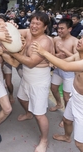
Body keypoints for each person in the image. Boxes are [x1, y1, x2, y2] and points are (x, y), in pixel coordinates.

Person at [32, 31, 83, 152]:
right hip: (75, 96)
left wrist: (43, 52)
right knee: (66, 120)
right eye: (81, 37)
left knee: (81, 144)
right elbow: (64, 62)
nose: (80, 40)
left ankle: (70, 138)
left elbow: (66, 67)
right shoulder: (78, 55)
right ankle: (66, 136)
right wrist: (53, 58)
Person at [8, 11, 54, 152]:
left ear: (45, 27)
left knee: (39, 114)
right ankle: (28, 113)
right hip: (27, 77)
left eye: (38, 24)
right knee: (22, 98)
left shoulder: (44, 42)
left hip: (39, 78)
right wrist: (11, 26)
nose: (34, 26)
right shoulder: (28, 32)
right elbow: (13, 32)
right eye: (32, 22)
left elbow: (31, 62)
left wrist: (12, 53)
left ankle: (44, 140)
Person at [50, 18, 78, 112]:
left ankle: (67, 116)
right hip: (58, 69)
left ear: (69, 29)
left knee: (67, 97)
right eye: (58, 28)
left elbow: (77, 58)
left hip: (69, 71)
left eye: (62, 28)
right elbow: (51, 54)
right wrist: (57, 55)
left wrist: (64, 50)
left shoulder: (75, 41)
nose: (59, 30)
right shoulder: (56, 39)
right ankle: (58, 104)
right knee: (53, 88)